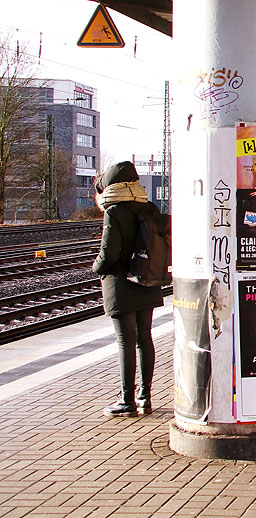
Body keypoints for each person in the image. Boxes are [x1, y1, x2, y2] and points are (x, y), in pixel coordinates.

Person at [92, 161, 164, 417]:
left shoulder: (114, 212)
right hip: (147, 280)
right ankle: (145, 396)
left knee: (126, 341)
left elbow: (108, 254)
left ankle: (126, 399)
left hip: (121, 282)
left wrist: (96, 268)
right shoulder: (149, 208)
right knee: (145, 338)